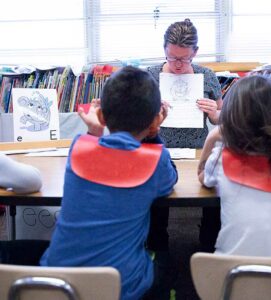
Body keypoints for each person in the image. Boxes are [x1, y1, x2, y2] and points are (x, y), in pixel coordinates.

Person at [40, 66, 178, 300]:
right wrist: (154, 133)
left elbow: (99, 147)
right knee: (168, 261)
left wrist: (94, 130)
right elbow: (169, 180)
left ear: (102, 116)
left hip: (58, 284)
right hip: (121, 287)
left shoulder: (78, 147)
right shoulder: (157, 160)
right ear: (155, 121)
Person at [198, 75, 271, 257]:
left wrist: (213, 136)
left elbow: (203, 177)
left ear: (232, 115)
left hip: (232, 279)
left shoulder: (222, 156)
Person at [147, 18, 222, 254]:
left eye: (184, 59)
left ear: (195, 53)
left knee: (213, 194)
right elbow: (136, 120)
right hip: (159, 148)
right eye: (172, 58)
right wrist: (151, 110)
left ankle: (208, 243)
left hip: (199, 150)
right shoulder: (150, 75)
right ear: (164, 51)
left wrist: (214, 111)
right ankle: (158, 244)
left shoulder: (207, 76)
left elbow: (219, 120)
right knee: (157, 198)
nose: (178, 65)